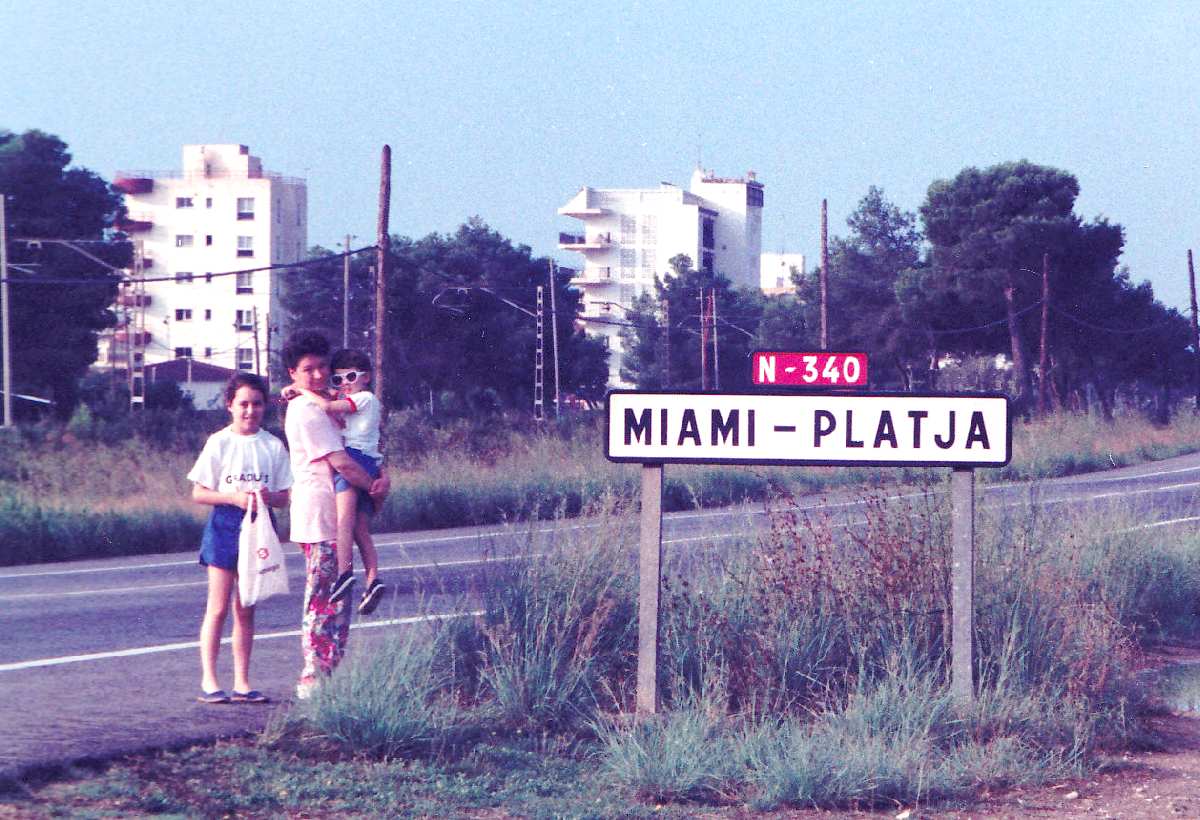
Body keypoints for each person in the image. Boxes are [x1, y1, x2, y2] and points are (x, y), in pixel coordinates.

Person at [282, 330, 389, 699]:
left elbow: (364, 438)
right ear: (292, 373)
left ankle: (329, 678)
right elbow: (341, 462)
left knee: (339, 602)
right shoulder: (306, 409)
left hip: (336, 513)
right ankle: (313, 678)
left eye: (323, 367)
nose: (317, 375)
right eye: (307, 370)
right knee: (323, 600)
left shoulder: (330, 401)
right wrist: (374, 488)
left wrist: (378, 480)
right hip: (319, 517)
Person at [188, 372, 292, 705]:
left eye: (257, 404)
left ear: (265, 407)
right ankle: (210, 680)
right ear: (230, 405)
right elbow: (199, 493)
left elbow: (285, 496)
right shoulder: (219, 442)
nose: (250, 411)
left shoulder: (273, 445)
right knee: (217, 608)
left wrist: (267, 495)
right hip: (224, 526)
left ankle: (243, 683)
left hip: (259, 528)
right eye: (243, 404)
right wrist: (233, 497)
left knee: (245, 609)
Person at [284, 348, 387, 615]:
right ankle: (372, 578)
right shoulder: (358, 401)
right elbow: (332, 401)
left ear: (366, 377)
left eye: (350, 377)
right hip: (367, 462)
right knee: (359, 528)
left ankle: (345, 572)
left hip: (354, 462)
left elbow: (341, 460)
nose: (344, 385)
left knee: (345, 520)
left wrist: (299, 389)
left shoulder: (358, 399)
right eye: (339, 380)